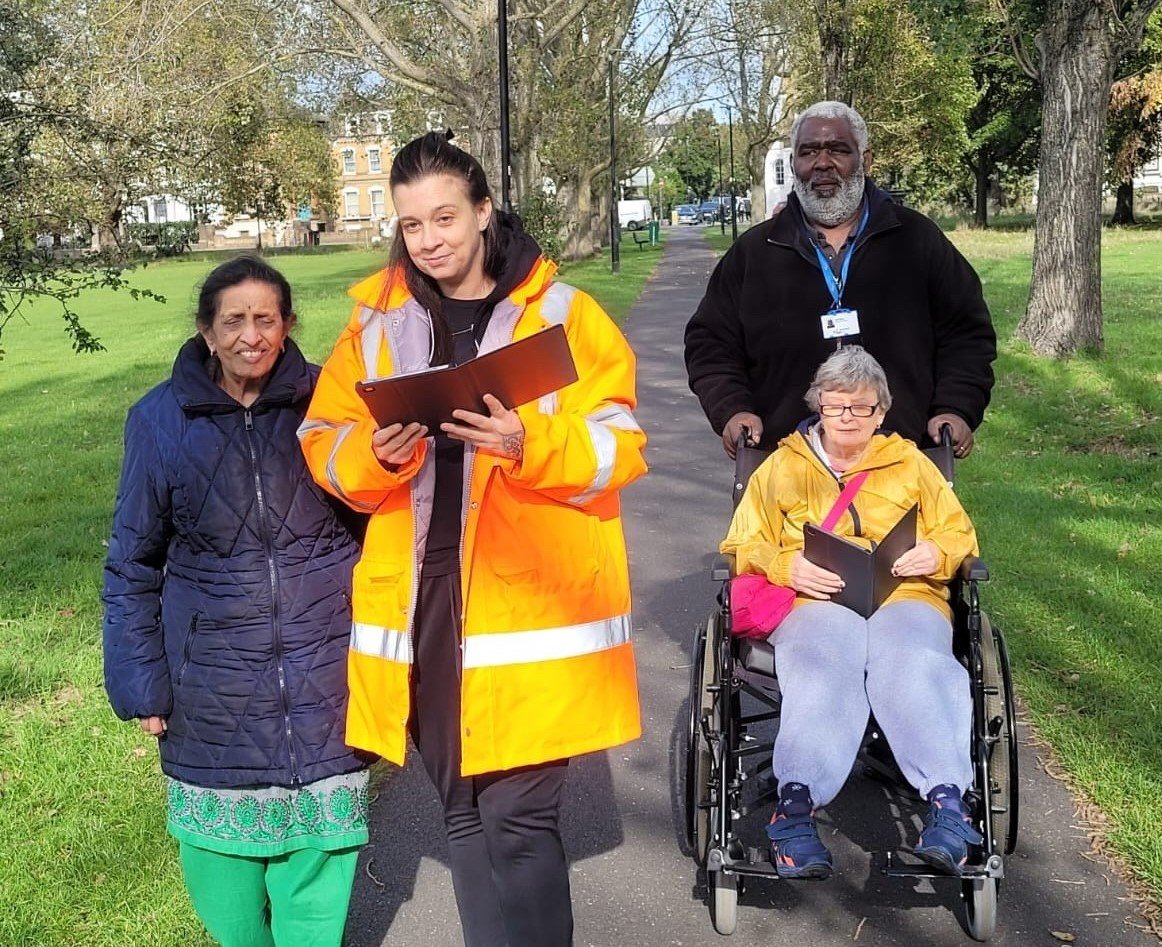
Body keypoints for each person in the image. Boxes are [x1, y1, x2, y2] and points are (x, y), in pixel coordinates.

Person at [299, 131, 647, 947]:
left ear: (484, 211)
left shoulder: (564, 314)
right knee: (460, 811)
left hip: (529, 608)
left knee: (519, 820)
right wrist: (371, 456)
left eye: (446, 217)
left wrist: (530, 443)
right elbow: (325, 438)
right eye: (413, 224)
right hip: (423, 601)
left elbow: (621, 443)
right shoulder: (374, 321)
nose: (431, 240)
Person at [102, 255, 370, 947]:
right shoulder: (158, 421)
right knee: (227, 896)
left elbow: (383, 522)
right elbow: (133, 562)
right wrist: (142, 684)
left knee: (317, 888)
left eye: (266, 318)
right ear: (206, 330)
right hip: (210, 686)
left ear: (287, 325)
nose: (251, 335)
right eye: (234, 321)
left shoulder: (333, 403)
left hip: (326, 677)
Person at [720, 345, 982, 879]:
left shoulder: (911, 465)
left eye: (859, 408)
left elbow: (959, 534)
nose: (846, 418)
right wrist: (786, 565)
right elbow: (741, 543)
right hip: (816, 601)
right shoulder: (781, 467)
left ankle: (948, 803)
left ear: (880, 412)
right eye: (835, 405)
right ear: (817, 404)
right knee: (824, 663)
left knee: (910, 659)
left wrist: (938, 552)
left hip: (906, 597)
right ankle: (795, 807)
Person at [685, 101, 996, 460]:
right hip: (782, 465)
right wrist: (732, 408)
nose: (822, 163)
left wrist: (956, 407)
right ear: (793, 164)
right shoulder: (755, 252)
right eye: (809, 152)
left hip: (903, 462)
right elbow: (710, 342)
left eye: (837, 149)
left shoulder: (916, 240)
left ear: (865, 160)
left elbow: (966, 333)